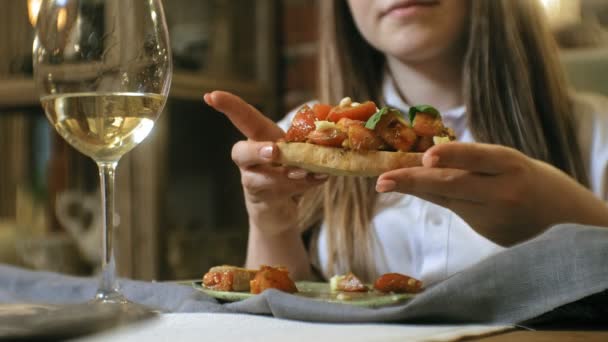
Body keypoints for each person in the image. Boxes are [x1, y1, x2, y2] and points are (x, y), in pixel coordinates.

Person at [203, 0, 608, 285]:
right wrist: (270, 221)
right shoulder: (302, 130)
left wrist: (573, 220)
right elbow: (278, 312)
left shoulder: (594, 130)